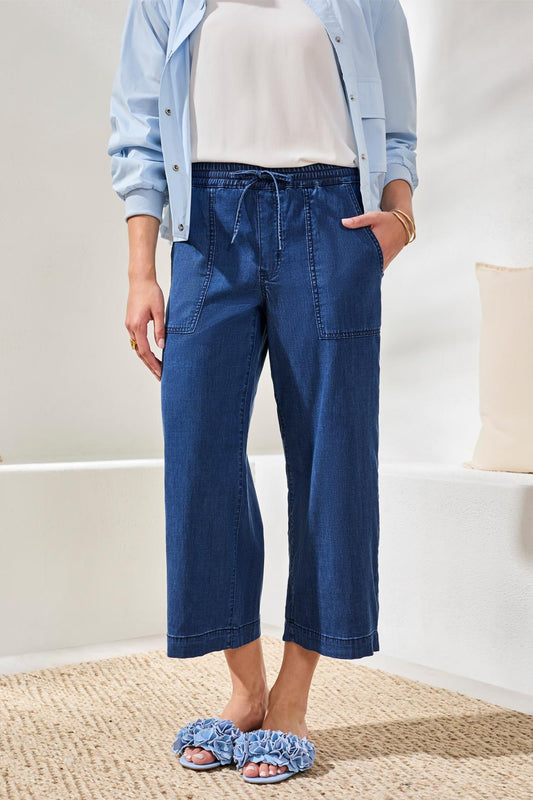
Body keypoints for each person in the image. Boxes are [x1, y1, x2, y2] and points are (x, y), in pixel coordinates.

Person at [108, 0, 418, 785]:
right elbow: (139, 127)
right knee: (198, 452)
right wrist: (142, 271)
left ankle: (292, 699)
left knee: (332, 455)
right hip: (206, 226)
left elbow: (397, 127)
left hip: (332, 218)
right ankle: (245, 690)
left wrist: (399, 217)